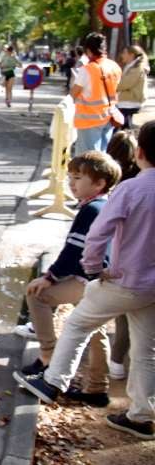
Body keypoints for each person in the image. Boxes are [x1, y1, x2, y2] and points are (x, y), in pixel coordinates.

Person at [15, 121, 155, 441]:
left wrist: (92, 271)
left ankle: (52, 382)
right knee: (146, 349)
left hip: (124, 280)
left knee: (78, 325)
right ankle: (141, 415)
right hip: (152, 286)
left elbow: (96, 236)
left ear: (141, 153)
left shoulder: (130, 190)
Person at [19, 151, 121, 407]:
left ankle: (48, 357)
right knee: (95, 329)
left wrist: (50, 277)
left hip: (87, 279)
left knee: (37, 295)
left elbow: (74, 251)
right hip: (101, 280)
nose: (72, 183)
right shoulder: (105, 205)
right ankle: (98, 387)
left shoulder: (91, 210)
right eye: (70, 177)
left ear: (99, 184)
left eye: (78, 178)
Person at [105, 129, 141, 382]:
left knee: (123, 318)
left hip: (124, 263)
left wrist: (95, 266)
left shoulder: (119, 187)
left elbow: (101, 232)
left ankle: (116, 363)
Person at [71, 32, 122, 154]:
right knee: (102, 155)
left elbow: (73, 94)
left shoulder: (87, 70)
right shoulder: (114, 66)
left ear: (88, 51)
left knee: (88, 158)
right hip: (109, 116)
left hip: (89, 119)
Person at [117, 45, 150, 129]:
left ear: (131, 55)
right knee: (125, 127)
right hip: (127, 102)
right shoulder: (133, 66)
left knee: (123, 129)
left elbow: (125, 84)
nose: (122, 55)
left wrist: (111, 86)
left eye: (124, 53)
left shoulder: (137, 68)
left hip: (129, 103)